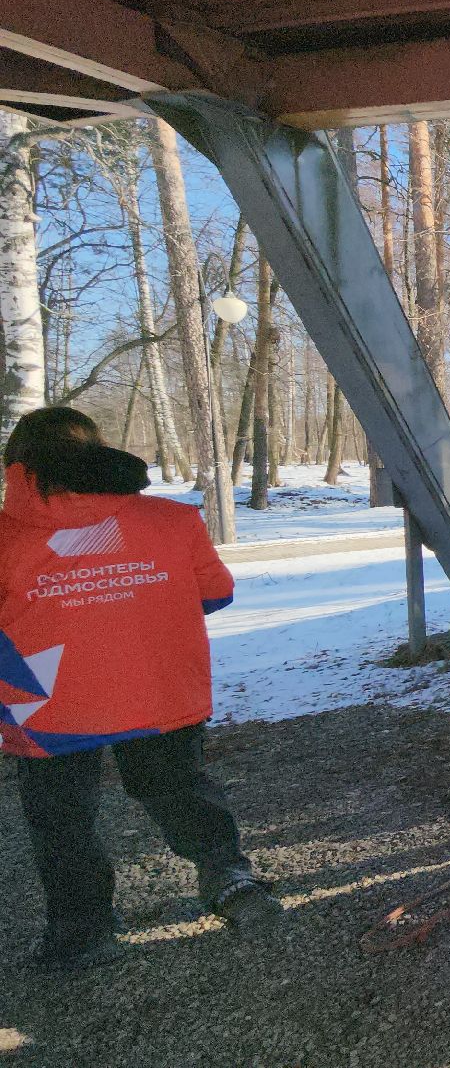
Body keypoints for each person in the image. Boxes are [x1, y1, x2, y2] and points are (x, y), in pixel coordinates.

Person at [1, 407, 280, 972]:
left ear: (18, 468)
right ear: (99, 452)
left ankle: (83, 933)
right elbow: (215, 594)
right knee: (178, 786)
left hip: (46, 706)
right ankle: (228, 877)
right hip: (160, 689)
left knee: (62, 820)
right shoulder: (172, 521)